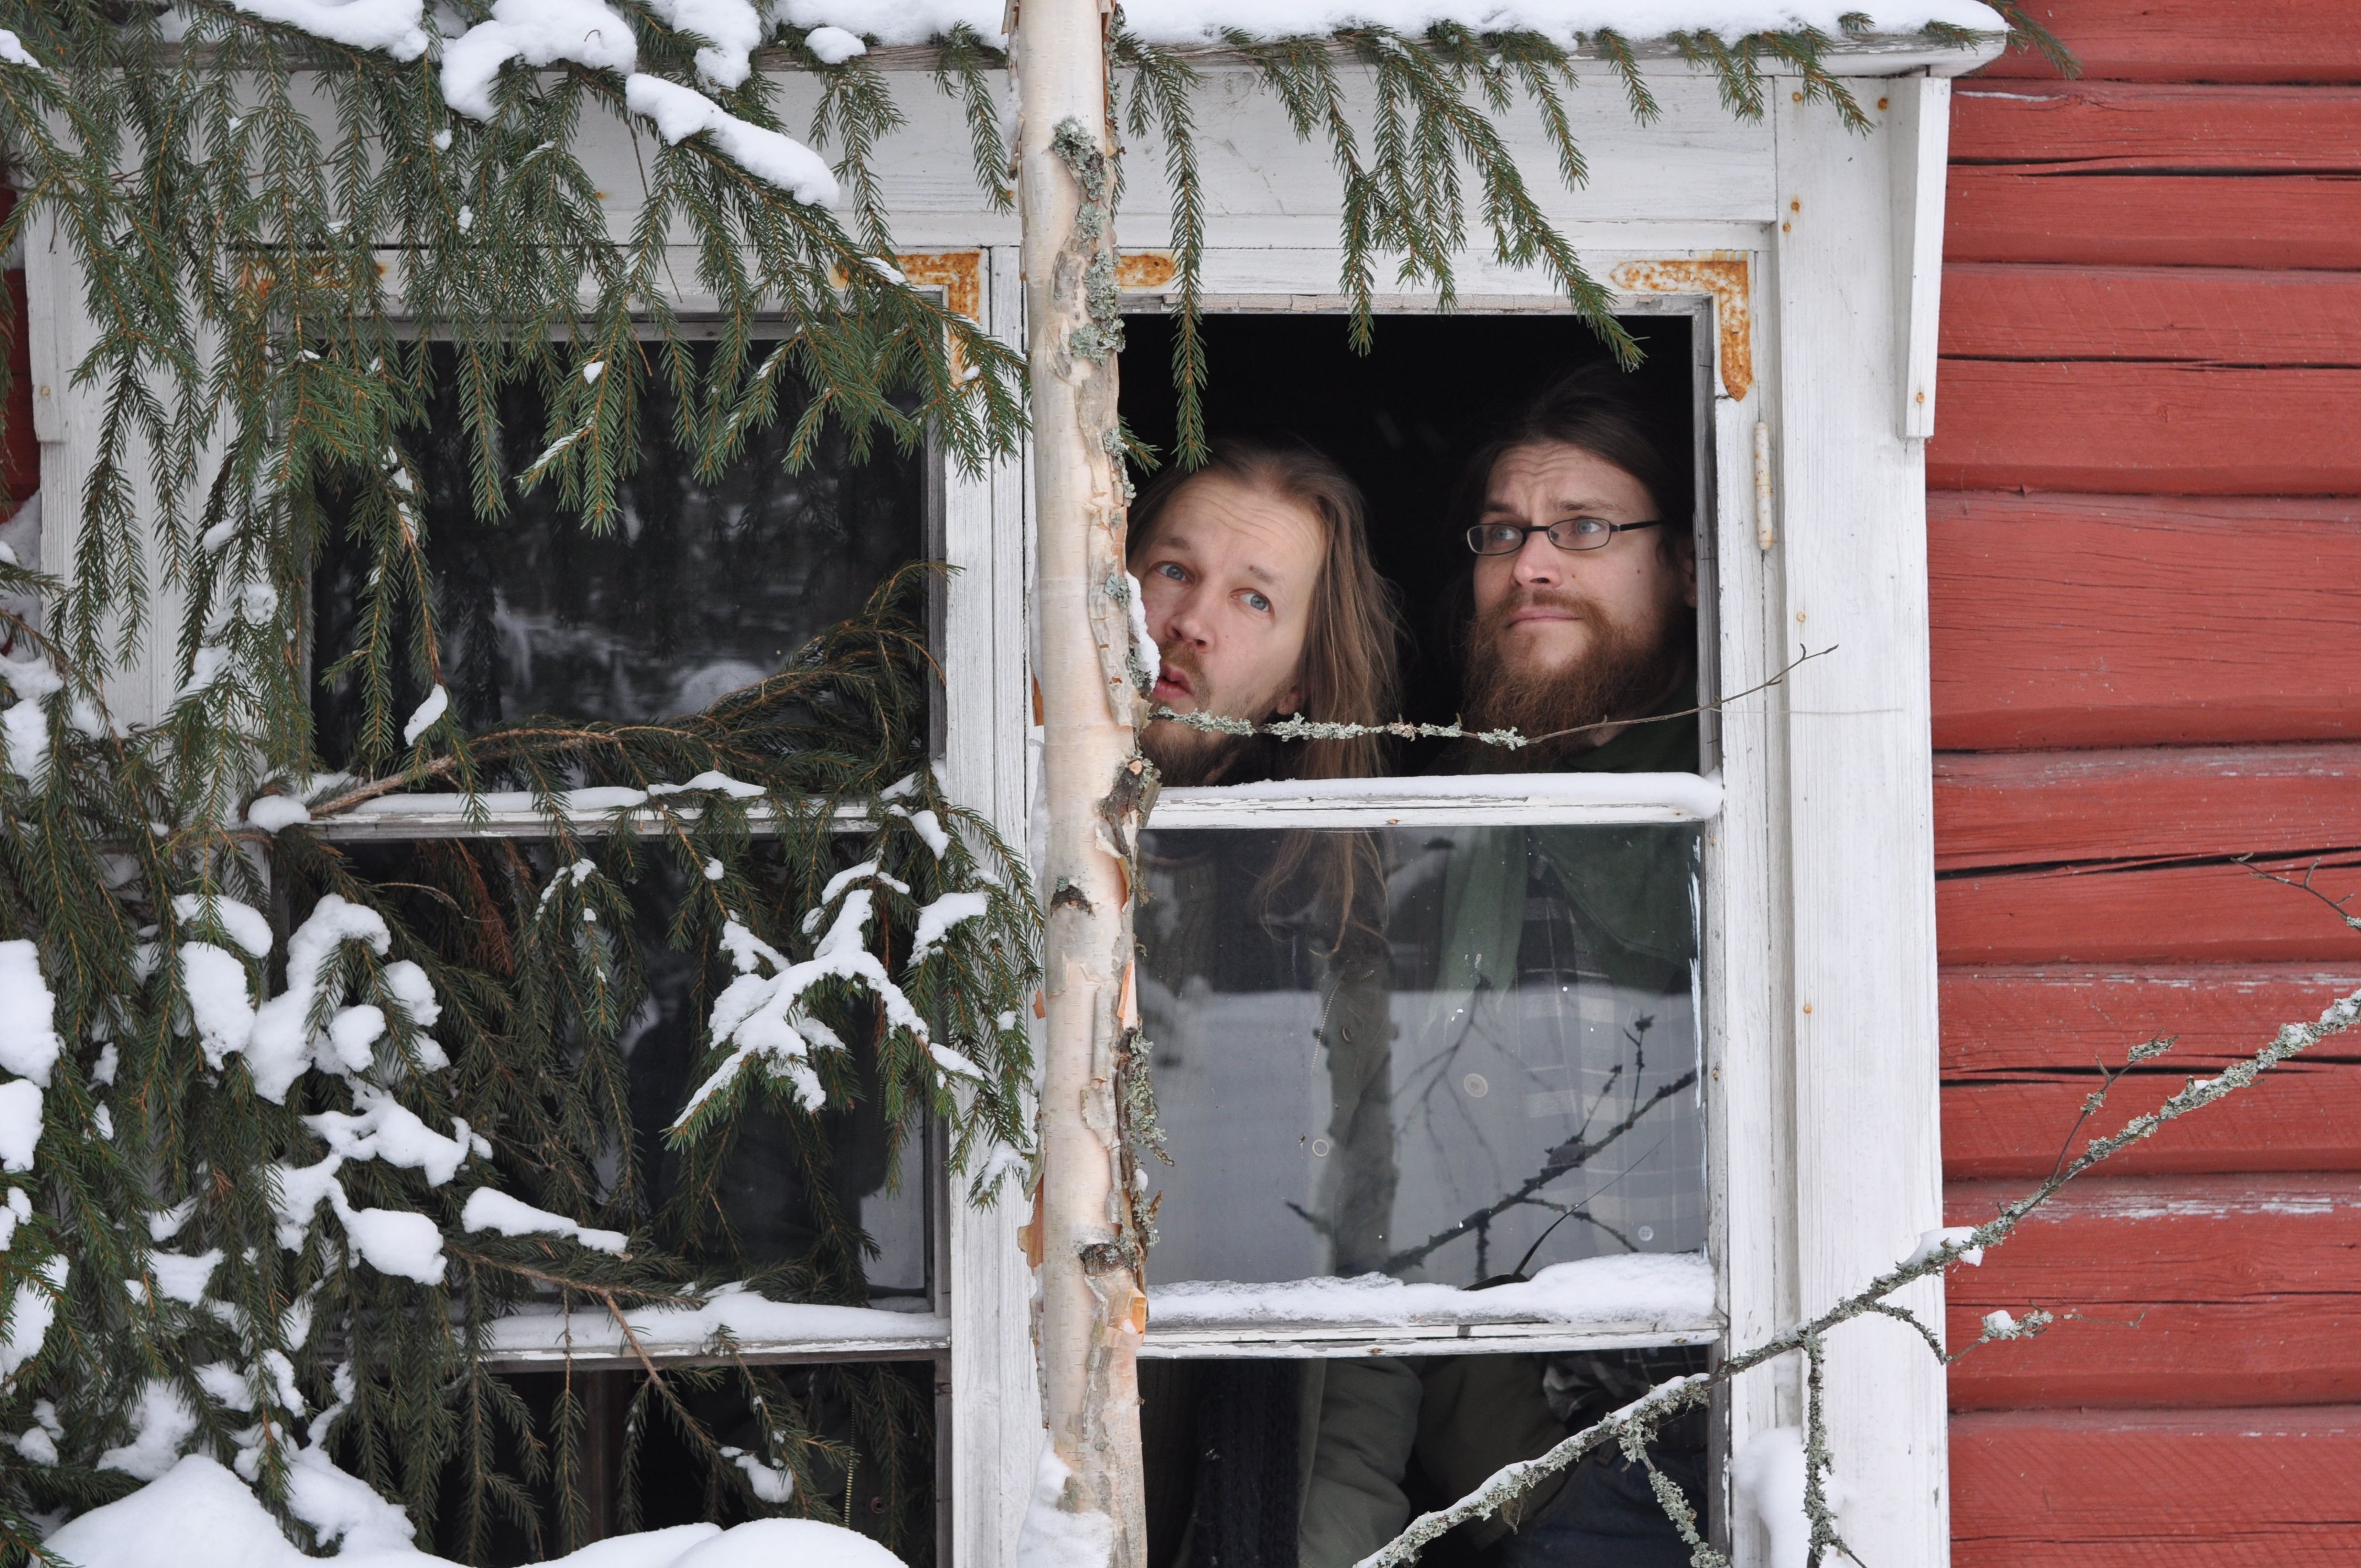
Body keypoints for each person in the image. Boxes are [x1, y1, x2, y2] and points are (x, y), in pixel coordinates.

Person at [1408, 364, 1711, 1567]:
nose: (1528, 564)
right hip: (1514, 1451)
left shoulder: (1745, 797)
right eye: (1502, 532)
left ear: (1684, 567)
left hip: (1714, 1424)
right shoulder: (1438, 825)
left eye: (1582, 529)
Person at [1124, 439, 1418, 1568]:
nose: (1191, 622)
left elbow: (1373, 1271)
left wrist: (1329, 1538)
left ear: (1298, 678)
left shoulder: (1332, 919)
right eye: (1170, 570)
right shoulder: (977, 854)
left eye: (1253, 597)